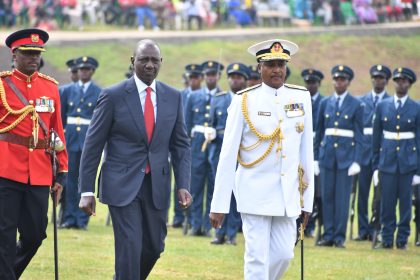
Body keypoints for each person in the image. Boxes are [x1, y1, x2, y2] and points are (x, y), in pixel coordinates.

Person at [78, 39, 192, 279]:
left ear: (161, 63)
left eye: (154, 60)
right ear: (133, 62)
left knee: (154, 247)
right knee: (130, 246)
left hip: (157, 186)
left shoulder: (173, 96)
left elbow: (180, 145)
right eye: (143, 59)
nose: (149, 65)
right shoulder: (113, 95)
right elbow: (92, 145)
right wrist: (86, 190)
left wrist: (183, 184)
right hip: (121, 184)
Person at [210, 39, 314, 279]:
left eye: (281, 64)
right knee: (257, 257)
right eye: (271, 64)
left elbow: (306, 151)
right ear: (259, 67)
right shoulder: (244, 100)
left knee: (284, 255)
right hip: (253, 192)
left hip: (287, 195)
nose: (277, 69)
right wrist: (219, 204)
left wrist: (306, 200)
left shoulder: (301, 97)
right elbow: (227, 155)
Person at [0, 28, 68, 280]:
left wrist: (62, 172)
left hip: (39, 171)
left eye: (37, 53)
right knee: (4, 234)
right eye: (28, 53)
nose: (33, 58)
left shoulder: (50, 87)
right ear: (14, 54)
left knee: (35, 233)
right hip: (6, 168)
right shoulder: (2, 84)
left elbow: (57, 132)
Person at [314, 65, 364, 248]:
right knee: (326, 197)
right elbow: (318, 133)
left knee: (342, 199)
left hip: (346, 159)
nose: (339, 82)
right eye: (336, 79)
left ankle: (339, 236)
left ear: (348, 82)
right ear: (333, 81)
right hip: (327, 157)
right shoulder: (324, 103)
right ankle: (327, 235)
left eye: (343, 79)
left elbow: (360, 135)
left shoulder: (356, 104)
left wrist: (357, 160)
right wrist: (315, 158)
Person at [372, 67, 420, 250]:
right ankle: (386, 238)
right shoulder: (383, 105)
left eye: (404, 81)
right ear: (394, 83)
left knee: (406, 204)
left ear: (409, 84)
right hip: (387, 162)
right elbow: (376, 139)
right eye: (398, 80)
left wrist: (419, 170)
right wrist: (376, 166)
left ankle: (402, 239)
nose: (401, 84)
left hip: (408, 163)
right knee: (387, 203)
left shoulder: (416, 107)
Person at [59, 56, 102, 230]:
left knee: (85, 180)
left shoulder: (99, 92)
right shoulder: (66, 91)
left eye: (87, 69)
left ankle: (82, 219)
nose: (84, 72)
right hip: (69, 139)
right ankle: (69, 217)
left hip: (87, 139)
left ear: (92, 71)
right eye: (81, 69)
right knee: (70, 180)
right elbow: (60, 118)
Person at [210, 62, 249, 246]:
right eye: (232, 77)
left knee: (235, 195)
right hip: (218, 150)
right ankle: (218, 233)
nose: (235, 80)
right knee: (218, 191)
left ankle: (232, 233)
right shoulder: (219, 98)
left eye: (239, 77)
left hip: (240, 154)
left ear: (245, 80)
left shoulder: (248, 100)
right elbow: (211, 123)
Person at [185, 60, 224, 237]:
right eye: (207, 75)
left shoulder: (223, 97)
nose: (210, 78)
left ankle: (209, 226)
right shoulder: (193, 96)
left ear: (218, 76)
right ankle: (195, 224)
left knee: (213, 186)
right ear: (203, 77)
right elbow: (186, 124)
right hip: (197, 144)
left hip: (215, 145)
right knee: (195, 187)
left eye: (213, 74)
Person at [355, 64, 391, 241]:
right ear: (372, 79)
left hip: (382, 153)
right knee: (362, 194)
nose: (378, 81)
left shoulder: (390, 102)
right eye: (376, 78)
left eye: (382, 78)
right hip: (363, 152)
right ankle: (363, 230)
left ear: (386, 81)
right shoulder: (361, 101)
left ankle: (377, 227)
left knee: (380, 194)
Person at [172, 63, 203, 228]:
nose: (193, 80)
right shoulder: (180, 94)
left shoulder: (205, 96)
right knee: (178, 181)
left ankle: (191, 217)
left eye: (196, 77)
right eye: (190, 77)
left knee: (192, 182)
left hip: (197, 143)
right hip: (180, 142)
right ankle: (178, 216)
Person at [300, 68, 324, 238]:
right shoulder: (299, 101)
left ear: (319, 84)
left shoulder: (323, 102)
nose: (310, 85)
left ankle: (314, 223)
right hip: (302, 145)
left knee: (318, 192)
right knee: (303, 185)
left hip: (319, 147)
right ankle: (303, 225)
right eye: (308, 82)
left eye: (313, 83)